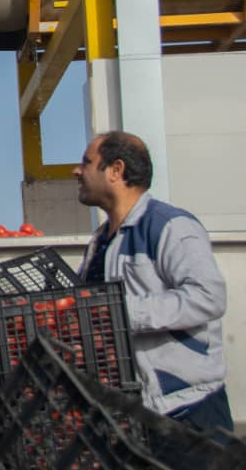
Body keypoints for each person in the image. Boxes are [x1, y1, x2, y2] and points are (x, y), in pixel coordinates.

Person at [74, 131, 231, 432]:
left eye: (87, 162)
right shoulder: (101, 241)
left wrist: (121, 313)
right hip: (134, 414)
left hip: (188, 410)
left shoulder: (170, 226)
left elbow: (208, 296)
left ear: (116, 170)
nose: (77, 171)